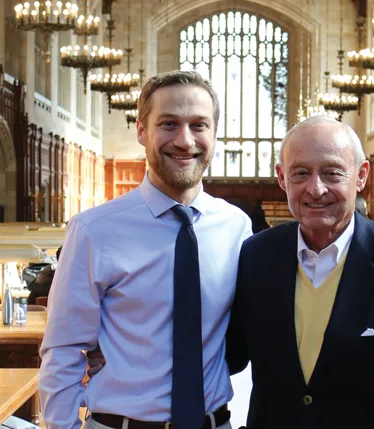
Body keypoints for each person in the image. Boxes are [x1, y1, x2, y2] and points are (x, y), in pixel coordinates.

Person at [39, 70, 252, 429]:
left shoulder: (237, 228)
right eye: (169, 124)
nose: (185, 141)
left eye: (199, 125)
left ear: (215, 133)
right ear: (141, 130)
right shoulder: (94, 230)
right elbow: (63, 350)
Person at [225, 116, 374, 428]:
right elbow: (229, 353)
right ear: (282, 178)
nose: (316, 188)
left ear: (361, 175)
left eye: (332, 172)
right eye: (301, 173)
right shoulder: (256, 256)